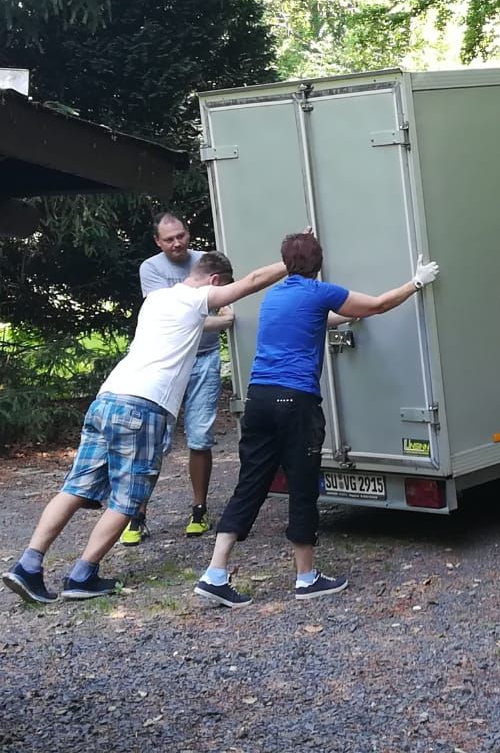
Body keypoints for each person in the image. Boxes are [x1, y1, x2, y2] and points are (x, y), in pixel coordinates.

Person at [2, 250, 288, 604]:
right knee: (129, 498)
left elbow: (199, 325)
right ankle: (82, 575)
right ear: (215, 281)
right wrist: (290, 262)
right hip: (143, 407)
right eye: (220, 289)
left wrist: (220, 318)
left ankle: (28, 565)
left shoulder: (157, 300)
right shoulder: (196, 298)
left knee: (75, 487)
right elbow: (252, 282)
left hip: (107, 398)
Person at [194, 232, 441, 608]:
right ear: (319, 263)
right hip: (296, 403)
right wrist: (417, 282)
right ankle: (306, 578)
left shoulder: (274, 296)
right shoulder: (320, 292)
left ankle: (214, 573)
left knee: (250, 484)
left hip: (259, 398)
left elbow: (315, 321)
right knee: (303, 486)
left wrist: (349, 317)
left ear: (285, 264)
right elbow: (377, 305)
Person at [122, 212, 232, 545]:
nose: (177, 243)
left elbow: (228, 308)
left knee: (200, 437)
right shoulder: (151, 268)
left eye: (181, 236)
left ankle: (199, 510)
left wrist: (217, 318)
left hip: (204, 359)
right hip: (167, 365)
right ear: (158, 242)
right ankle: (137, 515)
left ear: (188, 233)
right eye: (169, 239)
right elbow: (178, 319)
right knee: (154, 440)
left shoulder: (207, 261)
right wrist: (218, 320)